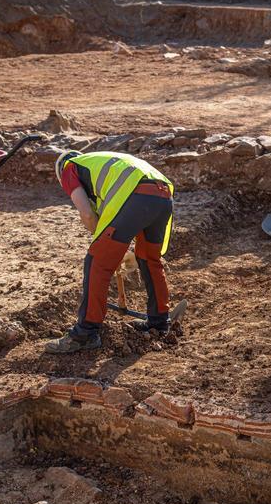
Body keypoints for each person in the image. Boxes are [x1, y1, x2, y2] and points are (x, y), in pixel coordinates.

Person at [45, 150, 178, 354]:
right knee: (148, 258)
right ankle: (159, 322)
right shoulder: (99, 164)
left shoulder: (69, 168)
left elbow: (87, 214)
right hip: (163, 195)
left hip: (137, 196)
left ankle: (86, 332)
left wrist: (102, 245)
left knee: (97, 261)